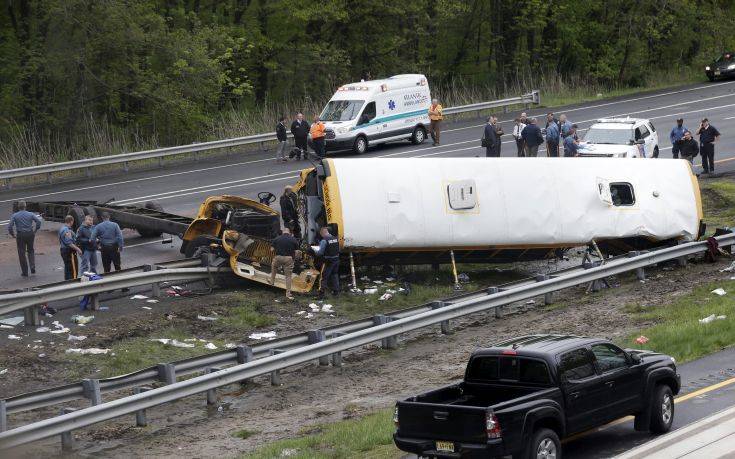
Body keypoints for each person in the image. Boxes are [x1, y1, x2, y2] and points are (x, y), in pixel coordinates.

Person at [7, 200, 43, 277]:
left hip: (20, 235)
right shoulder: (30, 214)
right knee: (31, 250)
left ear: (18, 207)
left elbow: (10, 227)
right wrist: (35, 230)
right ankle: (32, 266)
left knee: (21, 253)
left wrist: (13, 234)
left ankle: (25, 272)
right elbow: (38, 222)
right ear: (25, 206)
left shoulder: (15, 215)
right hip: (30, 234)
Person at [268, 228, 300, 300]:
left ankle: (272, 281)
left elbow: (271, 249)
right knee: (288, 276)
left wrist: (276, 249)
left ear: (283, 232)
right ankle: (288, 294)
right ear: (289, 232)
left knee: (274, 266)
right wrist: (294, 259)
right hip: (288, 259)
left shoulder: (277, 238)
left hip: (278, 257)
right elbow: (297, 252)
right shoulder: (293, 239)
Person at [315, 226, 340, 298]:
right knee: (334, 275)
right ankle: (336, 292)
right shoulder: (336, 238)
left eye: (321, 234)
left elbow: (320, 253)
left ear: (322, 233)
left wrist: (315, 250)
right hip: (336, 259)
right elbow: (338, 249)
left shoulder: (324, 240)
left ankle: (321, 294)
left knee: (323, 277)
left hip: (328, 261)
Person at [58, 215, 82, 280]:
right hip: (69, 252)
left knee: (68, 269)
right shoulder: (66, 230)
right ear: (71, 221)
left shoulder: (62, 228)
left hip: (64, 250)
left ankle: (67, 283)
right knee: (73, 269)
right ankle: (73, 283)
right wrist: (78, 249)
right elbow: (69, 243)